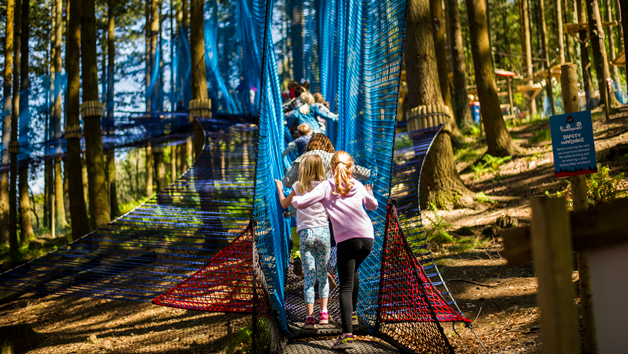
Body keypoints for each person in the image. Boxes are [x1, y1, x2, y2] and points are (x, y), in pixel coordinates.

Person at [291, 151, 377, 349]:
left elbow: (301, 202)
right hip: (367, 238)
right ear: (351, 167)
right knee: (353, 272)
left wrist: (294, 198)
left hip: (347, 241)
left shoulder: (326, 186)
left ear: (331, 168)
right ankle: (353, 315)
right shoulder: (357, 184)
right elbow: (373, 206)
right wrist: (369, 194)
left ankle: (347, 336)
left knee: (345, 286)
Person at [275, 155, 331, 329]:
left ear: (303, 169)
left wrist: (279, 189)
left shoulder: (297, 185)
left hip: (305, 234)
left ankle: (309, 318)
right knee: (322, 275)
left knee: (309, 277)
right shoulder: (326, 186)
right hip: (323, 233)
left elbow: (285, 204)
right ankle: (324, 314)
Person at [282, 134, 370, 187]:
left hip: (309, 210)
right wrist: (372, 174)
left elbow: (287, 183)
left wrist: (289, 173)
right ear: (328, 145)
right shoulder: (334, 158)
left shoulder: (301, 159)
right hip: (333, 205)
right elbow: (355, 170)